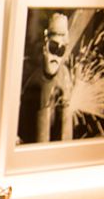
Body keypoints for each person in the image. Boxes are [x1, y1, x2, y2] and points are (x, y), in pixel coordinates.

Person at [19, 11, 75, 143]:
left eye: (61, 51)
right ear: (45, 47)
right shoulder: (34, 83)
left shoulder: (65, 75)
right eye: (53, 47)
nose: (55, 56)